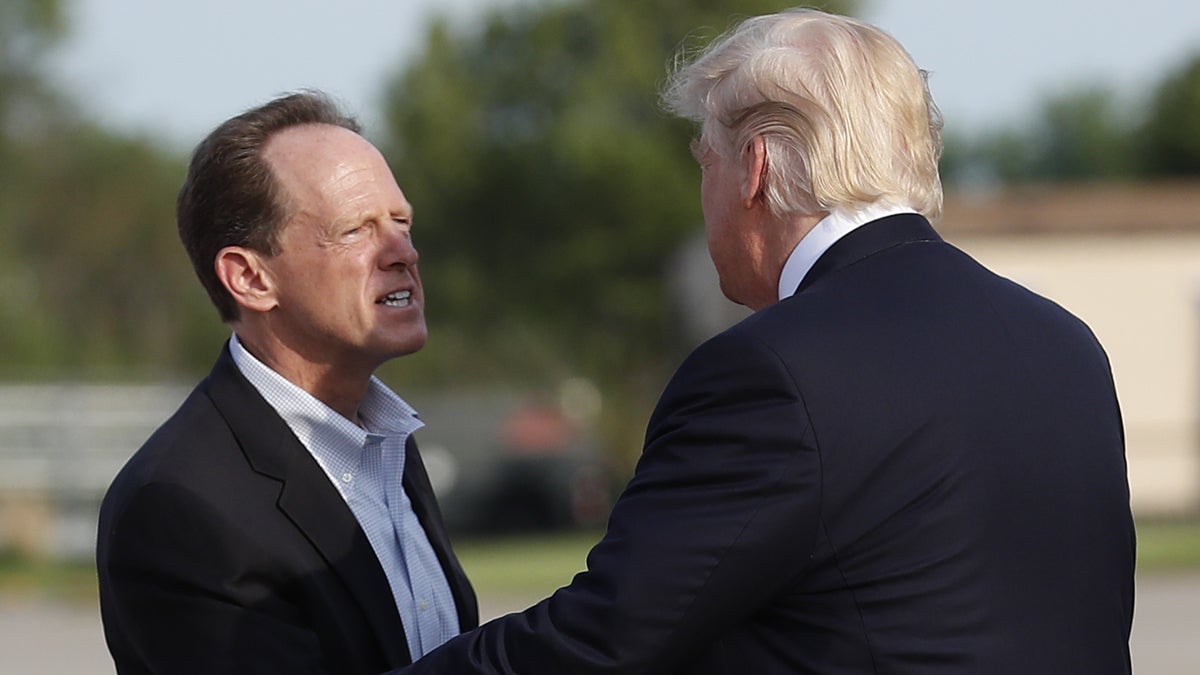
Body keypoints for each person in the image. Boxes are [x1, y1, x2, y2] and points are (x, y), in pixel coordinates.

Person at [393, 8, 1135, 674]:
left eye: (705, 163)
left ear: (754, 169)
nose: (706, 195)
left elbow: (608, 636)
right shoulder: (1066, 346)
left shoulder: (773, 369)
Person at [96, 91, 477, 674]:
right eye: (356, 230)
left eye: (401, 221)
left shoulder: (385, 444)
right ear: (249, 278)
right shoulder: (178, 508)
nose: (403, 251)